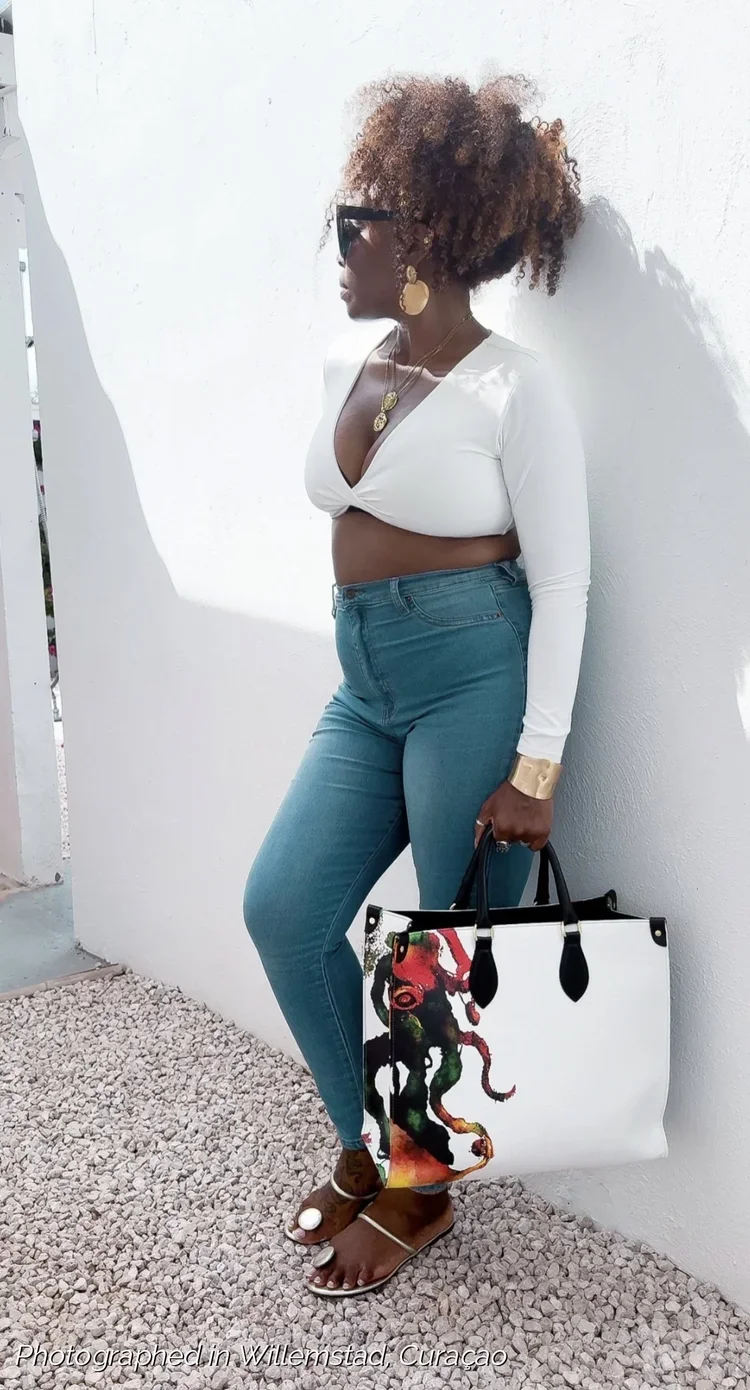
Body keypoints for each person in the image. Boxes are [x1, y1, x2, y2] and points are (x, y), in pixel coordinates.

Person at [243, 71, 590, 1298]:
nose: (339, 245)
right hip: (367, 679)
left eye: (360, 223)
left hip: (470, 672)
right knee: (285, 907)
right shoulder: (354, 360)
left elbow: (566, 580)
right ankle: (370, 1143)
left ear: (427, 238)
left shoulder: (517, 386)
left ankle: (421, 1188)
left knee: (442, 947)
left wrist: (536, 767)